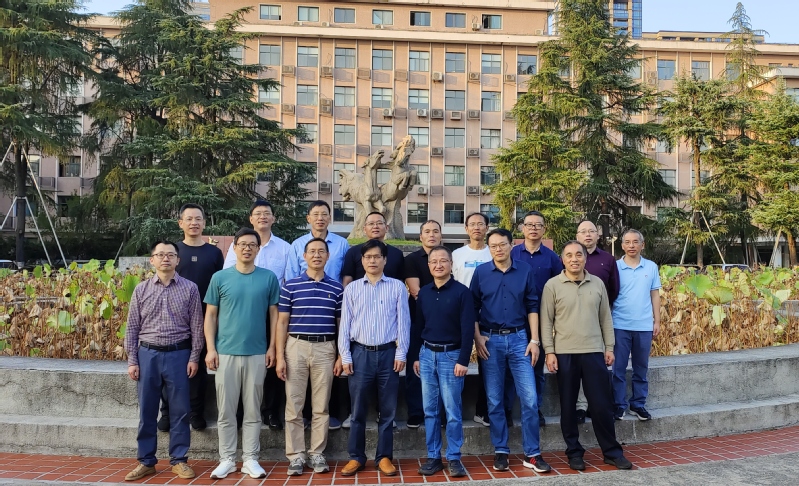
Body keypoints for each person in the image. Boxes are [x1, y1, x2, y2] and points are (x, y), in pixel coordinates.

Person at [541, 240, 632, 471]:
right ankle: (574, 452)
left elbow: (605, 318)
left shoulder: (597, 283)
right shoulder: (552, 285)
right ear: (563, 260)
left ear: (585, 258)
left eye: (578, 255)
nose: (574, 259)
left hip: (593, 352)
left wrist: (609, 347)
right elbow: (546, 321)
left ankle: (611, 452)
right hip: (565, 353)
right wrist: (549, 351)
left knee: (601, 405)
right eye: (569, 255)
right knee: (568, 406)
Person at [470, 228, 551, 474]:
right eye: (493, 245)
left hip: (519, 340)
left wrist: (534, 340)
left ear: (510, 245)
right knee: (494, 400)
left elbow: (532, 305)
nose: (498, 249)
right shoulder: (481, 272)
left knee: (529, 398)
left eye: (502, 244)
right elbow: (472, 307)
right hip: (490, 341)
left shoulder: (524, 270)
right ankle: (501, 451)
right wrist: (477, 338)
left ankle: (532, 454)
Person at [123, 240, 204, 481]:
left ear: (178, 260)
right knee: (147, 410)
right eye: (160, 255)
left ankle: (179, 460)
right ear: (152, 260)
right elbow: (132, 327)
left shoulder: (190, 288)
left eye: (170, 255)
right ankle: (146, 461)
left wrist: (194, 356)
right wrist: (132, 360)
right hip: (148, 355)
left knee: (180, 410)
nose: (165, 258)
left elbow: (197, 326)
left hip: (179, 354)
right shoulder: (141, 290)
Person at [204, 228, 281, 480]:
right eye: (243, 244)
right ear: (234, 248)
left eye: (252, 245)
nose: (247, 248)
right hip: (225, 353)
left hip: (257, 353)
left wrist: (272, 347)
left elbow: (274, 316)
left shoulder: (268, 278)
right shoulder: (220, 278)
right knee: (226, 411)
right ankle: (227, 459)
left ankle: (250, 459)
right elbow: (210, 316)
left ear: (258, 249)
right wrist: (211, 349)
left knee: (253, 410)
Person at [338, 239, 410, 477]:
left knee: (387, 411)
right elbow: (345, 325)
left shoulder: (397, 287)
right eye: (368, 257)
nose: (372, 261)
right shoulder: (352, 288)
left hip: (388, 354)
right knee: (357, 411)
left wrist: (401, 352)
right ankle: (356, 457)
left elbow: (404, 323)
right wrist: (345, 355)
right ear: (362, 260)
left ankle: (384, 457)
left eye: (377, 256)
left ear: (384, 260)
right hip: (360, 354)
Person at [275, 238, 344, 476]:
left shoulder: (336, 288)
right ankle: (295, 455)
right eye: (312, 251)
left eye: (321, 251)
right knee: (294, 405)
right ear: (304, 256)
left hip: (326, 347)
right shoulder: (290, 286)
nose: (316, 255)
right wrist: (280, 356)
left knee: (321, 405)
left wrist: (340, 355)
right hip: (296, 346)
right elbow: (282, 323)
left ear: (327, 256)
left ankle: (316, 452)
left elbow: (340, 324)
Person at [223, 200, 292, 431]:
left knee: (272, 360)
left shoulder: (285, 248)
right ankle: (240, 412)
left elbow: (289, 281)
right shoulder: (238, 246)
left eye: (267, 213)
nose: (263, 216)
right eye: (258, 213)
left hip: (274, 312)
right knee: (242, 361)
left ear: (273, 218)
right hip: (244, 311)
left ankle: (270, 411)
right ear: (251, 218)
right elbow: (228, 277)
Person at [157, 204, 224, 433]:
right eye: (189, 219)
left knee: (199, 368)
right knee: (171, 368)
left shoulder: (214, 253)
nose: (194, 223)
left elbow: (220, 286)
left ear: (204, 223)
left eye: (198, 219)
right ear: (181, 223)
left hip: (206, 319)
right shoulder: (174, 252)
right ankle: (167, 412)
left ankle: (196, 412)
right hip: (175, 320)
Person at [410, 246, 475, 478]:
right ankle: (434, 456)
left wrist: (463, 360)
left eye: (443, 261)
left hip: (451, 357)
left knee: (452, 411)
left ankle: (454, 457)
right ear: (429, 266)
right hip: (427, 355)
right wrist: (416, 356)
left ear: (451, 264)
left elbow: (468, 329)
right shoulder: (424, 293)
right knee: (430, 410)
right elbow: (418, 326)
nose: (438, 265)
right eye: (434, 261)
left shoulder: (462, 292)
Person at [509, 211, 564, 427]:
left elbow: (559, 286)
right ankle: (508, 410)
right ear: (522, 228)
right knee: (510, 368)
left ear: (544, 229)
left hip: (541, 320)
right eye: (529, 225)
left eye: (537, 225)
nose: (533, 228)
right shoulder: (512, 253)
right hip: (513, 319)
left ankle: (536, 408)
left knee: (536, 367)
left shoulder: (552, 258)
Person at [612, 229, 662, 421]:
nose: (631, 246)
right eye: (627, 242)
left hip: (643, 326)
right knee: (618, 369)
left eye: (635, 242)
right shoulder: (615, 267)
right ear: (622, 245)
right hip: (620, 325)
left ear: (642, 245)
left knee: (641, 368)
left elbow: (655, 295)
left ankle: (638, 404)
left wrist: (657, 321)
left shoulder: (651, 267)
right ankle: (619, 405)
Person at [574, 220, 620, 423]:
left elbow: (614, 289)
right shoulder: (569, 257)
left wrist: (601, 309)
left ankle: (596, 404)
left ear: (598, 235)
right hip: (574, 320)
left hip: (598, 319)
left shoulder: (607, 259)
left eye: (591, 231)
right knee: (578, 364)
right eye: (583, 231)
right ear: (577, 236)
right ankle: (581, 405)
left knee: (598, 364)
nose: (587, 235)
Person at [451, 213, 493, 427]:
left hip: (488, 315)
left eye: (480, 224)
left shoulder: (493, 251)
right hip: (460, 315)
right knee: (456, 363)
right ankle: (452, 412)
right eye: (472, 224)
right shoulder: (457, 254)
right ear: (466, 228)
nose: (476, 227)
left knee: (488, 364)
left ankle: (482, 410)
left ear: (487, 228)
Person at [403, 220, 443, 428]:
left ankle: (440, 413)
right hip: (418, 319)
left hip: (445, 321)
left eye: (435, 231)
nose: (431, 235)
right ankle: (416, 412)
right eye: (427, 231)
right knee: (415, 366)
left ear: (441, 235)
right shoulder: (412, 259)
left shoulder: (446, 257)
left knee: (442, 369)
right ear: (420, 237)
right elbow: (415, 291)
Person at [288, 200, 349, 282]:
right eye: (316, 214)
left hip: (333, 289)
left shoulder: (342, 244)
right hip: (305, 290)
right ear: (308, 218)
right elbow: (291, 275)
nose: (320, 218)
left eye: (324, 214)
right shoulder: (297, 245)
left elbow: (347, 275)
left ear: (329, 218)